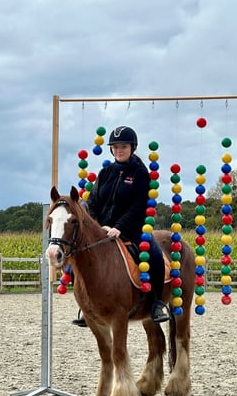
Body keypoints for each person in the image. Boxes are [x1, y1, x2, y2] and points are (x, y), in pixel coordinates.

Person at [72, 125, 170, 325]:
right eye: (115, 147)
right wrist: (98, 226)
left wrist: (119, 227)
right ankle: (87, 306)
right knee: (78, 257)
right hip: (103, 231)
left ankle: (157, 302)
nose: (119, 150)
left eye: (123, 146)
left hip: (131, 230)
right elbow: (92, 202)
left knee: (155, 256)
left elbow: (138, 206)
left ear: (132, 147)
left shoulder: (140, 173)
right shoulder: (105, 172)